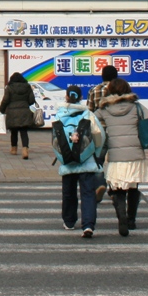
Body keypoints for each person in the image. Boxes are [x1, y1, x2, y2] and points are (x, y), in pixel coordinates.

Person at [96, 78, 148, 236]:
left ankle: (122, 219)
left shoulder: (105, 109)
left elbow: (91, 121)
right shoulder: (136, 107)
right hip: (135, 154)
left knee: (118, 189)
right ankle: (131, 220)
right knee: (133, 187)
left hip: (115, 154)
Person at [53, 85, 106, 239]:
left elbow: (55, 141)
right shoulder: (88, 114)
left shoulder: (59, 115)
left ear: (66, 97)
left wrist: (62, 156)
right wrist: (94, 153)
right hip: (87, 161)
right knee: (88, 193)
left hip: (68, 161)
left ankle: (69, 221)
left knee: (69, 193)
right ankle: (88, 225)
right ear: (81, 97)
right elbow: (99, 136)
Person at [0, 72, 36, 159]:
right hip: (24, 111)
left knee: (14, 132)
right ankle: (25, 151)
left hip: (12, 112)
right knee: (24, 132)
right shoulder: (27, 87)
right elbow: (31, 100)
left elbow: (5, 100)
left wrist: (2, 109)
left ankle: (14, 149)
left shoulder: (9, 88)